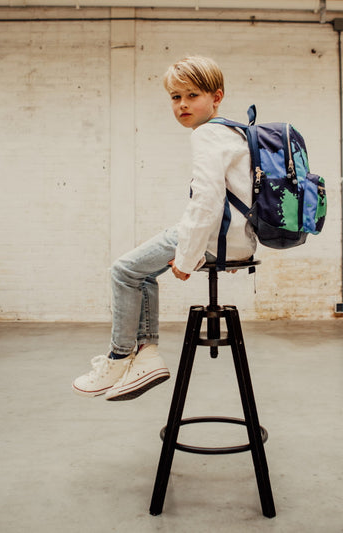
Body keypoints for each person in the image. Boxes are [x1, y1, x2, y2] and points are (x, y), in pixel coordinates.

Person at [72, 56, 256, 401]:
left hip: (214, 237)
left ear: (216, 97)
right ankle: (146, 357)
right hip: (236, 239)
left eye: (192, 95)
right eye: (175, 97)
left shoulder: (207, 134)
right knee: (140, 273)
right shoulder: (236, 133)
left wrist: (186, 258)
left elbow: (207, 201)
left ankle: (119, 358)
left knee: (124, 270)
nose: (182, 104)